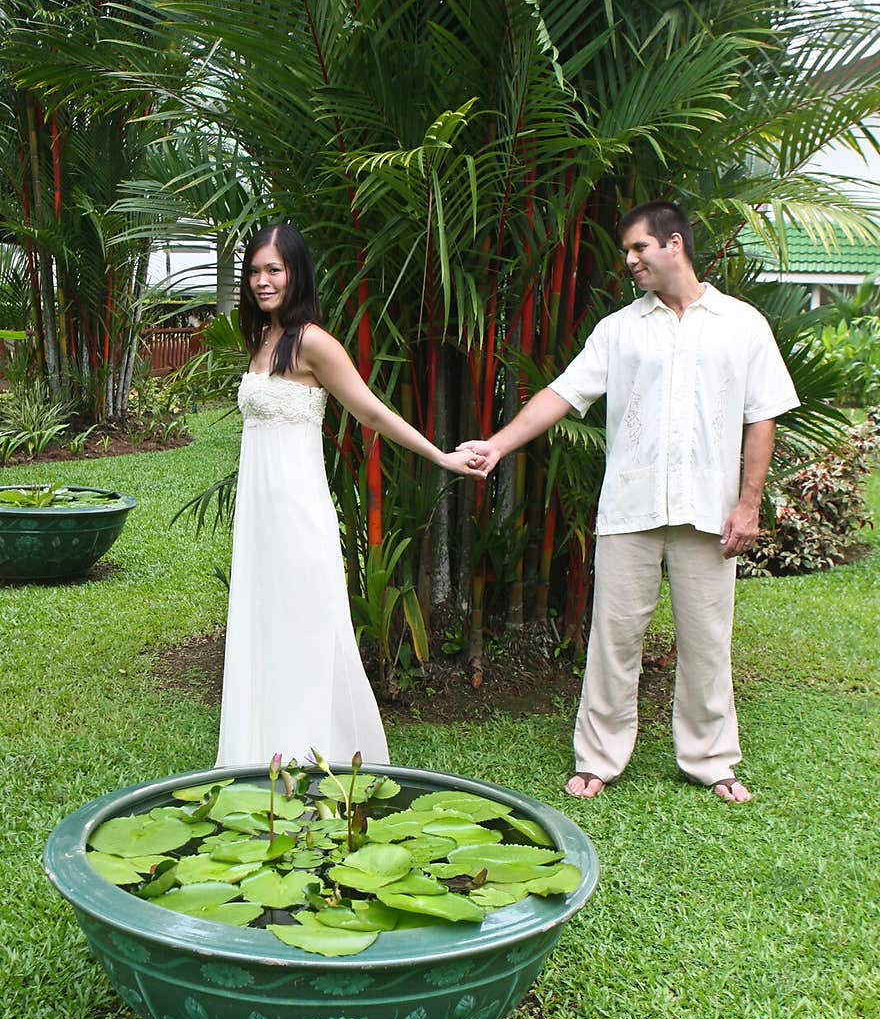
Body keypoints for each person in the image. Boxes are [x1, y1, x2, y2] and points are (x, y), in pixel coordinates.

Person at [460, 200, 800, 804]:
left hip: (709, 512)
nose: (630, 261)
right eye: (626, 252)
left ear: (674, 244)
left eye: (639, 249)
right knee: (614, 639)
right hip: (629, 509)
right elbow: (562, 394)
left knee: (707, 639)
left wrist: (748, 505)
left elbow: (762, 416)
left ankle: (712, 760)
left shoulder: (743, 324)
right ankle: (599, 758)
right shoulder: (619, 329)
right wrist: (498, 444)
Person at [214, 221, 483, 772]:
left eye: (274, 270)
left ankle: (307, 755)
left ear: (295, 274)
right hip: (260, 514)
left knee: (304, 626)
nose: (262, 281)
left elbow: (370, 411)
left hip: (297, 510)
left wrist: (441, 456)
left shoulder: (313, 341)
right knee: (266, 624)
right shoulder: (262, 340)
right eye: (255, 271)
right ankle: (261, 753)